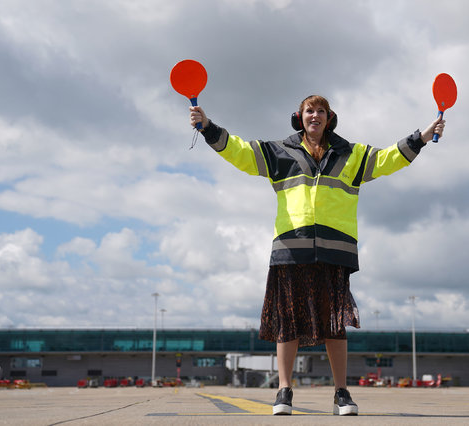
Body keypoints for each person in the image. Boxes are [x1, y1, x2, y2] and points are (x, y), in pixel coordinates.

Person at [189, 95, 445, 415]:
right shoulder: (277, 151)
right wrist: (208, 128)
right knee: (288, 322)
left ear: (329, 118)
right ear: (300, 116)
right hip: (290, 248)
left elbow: (388, 158)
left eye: (321, 111)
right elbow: (240, 152)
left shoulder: (352, 154)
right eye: (310, 110)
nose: (315, 115)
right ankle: (284, 391)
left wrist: (421, 137)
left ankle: (341, 394)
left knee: (334, 324)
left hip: (334, 250)